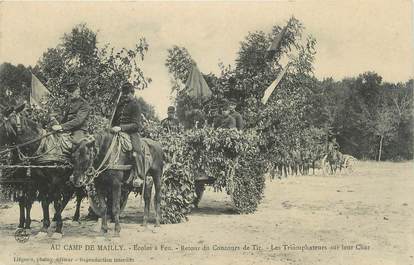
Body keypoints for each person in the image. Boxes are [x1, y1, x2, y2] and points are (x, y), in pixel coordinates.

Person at [111, 82, 144, 187]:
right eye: (124, 93)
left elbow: (136, 125)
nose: (125, 95)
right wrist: (112, 128)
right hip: (117, 131)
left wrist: (121, 128)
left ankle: (139, 175)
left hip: (131, 133)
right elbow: (114, 120)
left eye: (127, 93)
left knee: (136, 151)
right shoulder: (120, 105)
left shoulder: (135, 105)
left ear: (132, 93)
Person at [51, 79, 90, 145]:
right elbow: (66, 116)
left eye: (72, 91)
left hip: (79, 129)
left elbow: (78, 121)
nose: (70, 93)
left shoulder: (84, 104)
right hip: (68, 128)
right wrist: (56, 121)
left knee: (76, 146)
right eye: (69, 91)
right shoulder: (70, 101)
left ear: (78, 91)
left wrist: (61, 126)